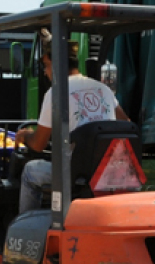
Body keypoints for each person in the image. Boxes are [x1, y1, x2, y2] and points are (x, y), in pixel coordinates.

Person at [16, 37, 127, 214]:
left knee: (30, 171)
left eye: (46, 65)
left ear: (55, 62)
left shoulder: (55, 93)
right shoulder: (103, 89)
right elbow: (125, 124)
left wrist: (24, 136)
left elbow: (38, 144)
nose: (45, 72)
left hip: (77, 173)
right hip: (108, 170)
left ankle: (23, 229)